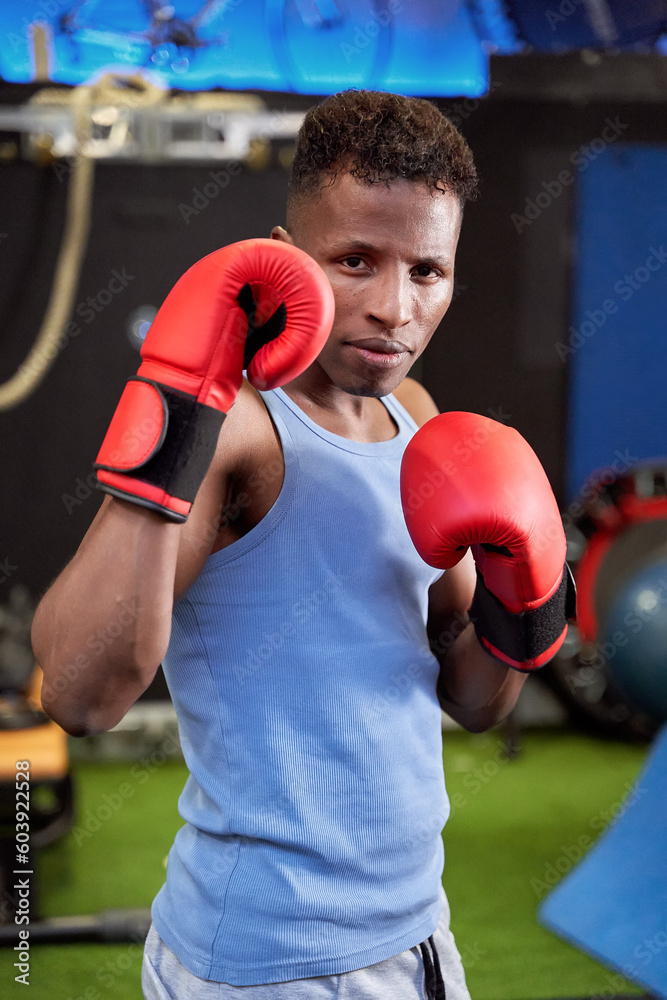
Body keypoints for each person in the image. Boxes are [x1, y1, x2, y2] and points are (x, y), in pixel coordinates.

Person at [32, 89, 571, 999]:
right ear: (283, 261)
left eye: (427, 271)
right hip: (266, 958)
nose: (394, 307)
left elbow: (472, 699)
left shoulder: (417, 420)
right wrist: (175, 404)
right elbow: (80, 694)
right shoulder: (240, 430)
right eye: (355, 260)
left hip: (415, 928)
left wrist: (526, 596)